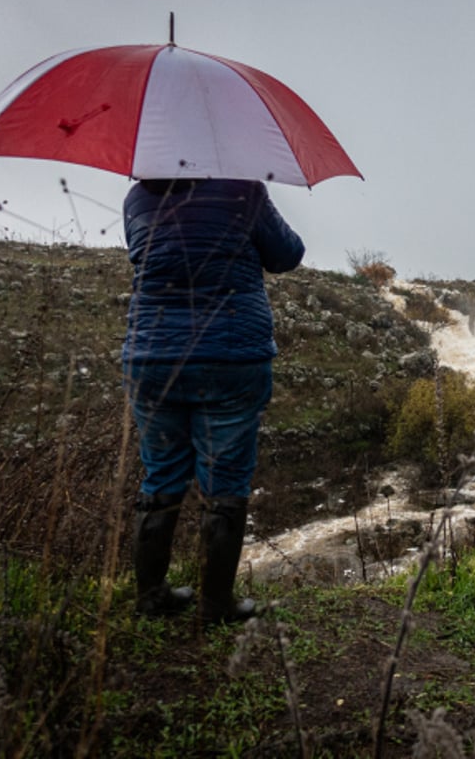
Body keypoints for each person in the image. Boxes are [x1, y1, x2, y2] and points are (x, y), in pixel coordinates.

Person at [122, 177, 305, 623]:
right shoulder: (243, 190)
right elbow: (288, 254)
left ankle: (150, 596)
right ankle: (215, 603)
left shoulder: (139, 196)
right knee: (225, 481)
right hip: (230, 356)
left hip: (153, 356)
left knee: (161, 473)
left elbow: (141, 253)